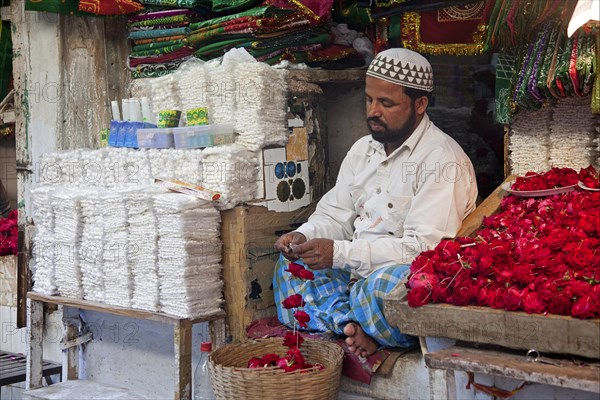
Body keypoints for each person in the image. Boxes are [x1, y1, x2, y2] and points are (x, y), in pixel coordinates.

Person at [273, 48, 478, 358]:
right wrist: (307, 235)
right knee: (291, 265)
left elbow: (424, 251)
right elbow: (336, 214)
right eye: (369, 100)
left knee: (389, 288)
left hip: (398, 275)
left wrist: (341, 253)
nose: (373, 112)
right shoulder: (362, 150)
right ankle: (353, 326)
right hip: (354, 275)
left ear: (420, 104)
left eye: (387, 103)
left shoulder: (443, 160)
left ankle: (356, 322)